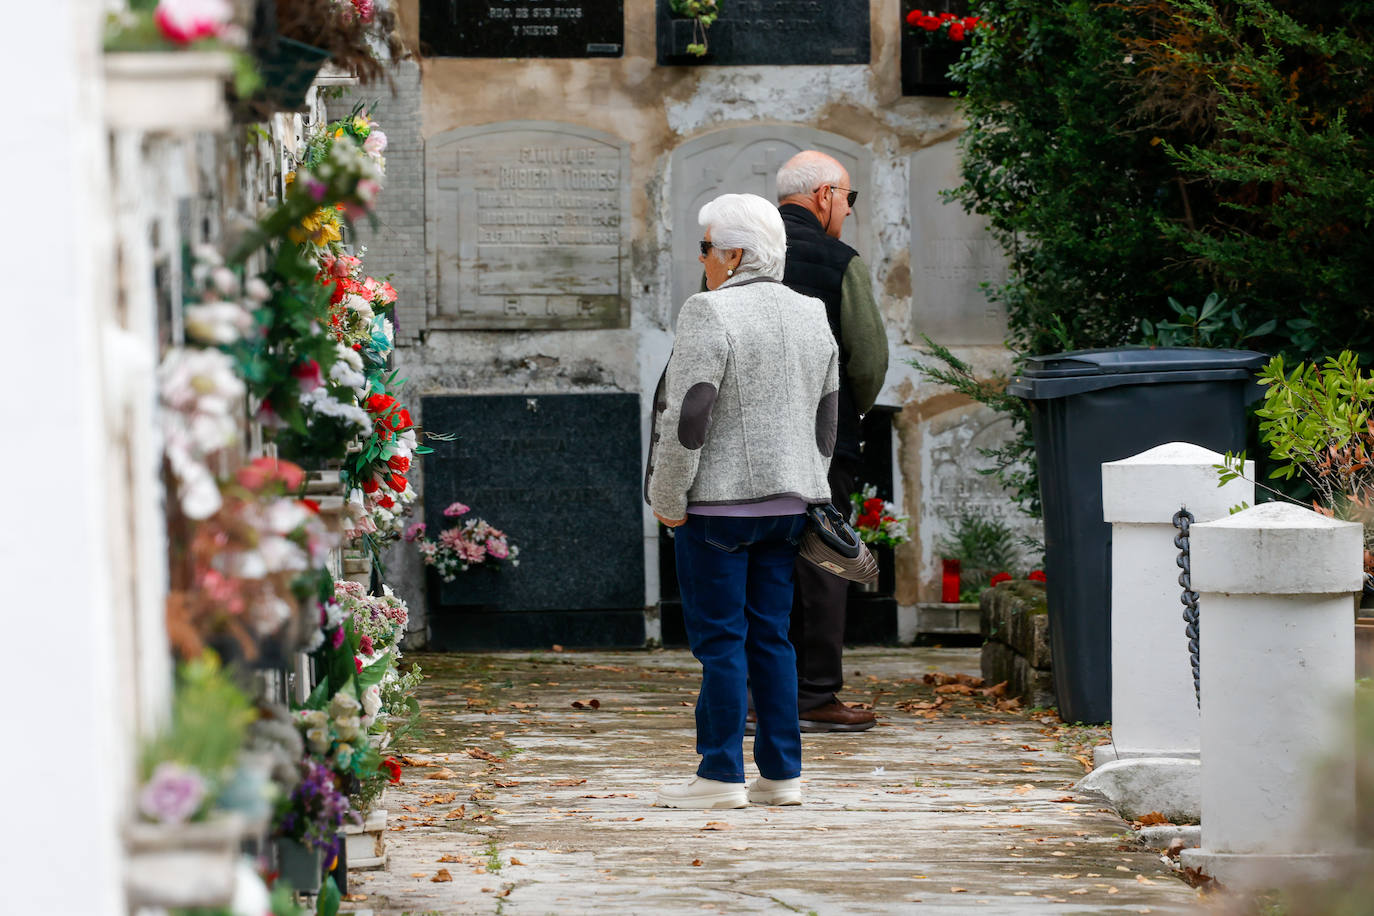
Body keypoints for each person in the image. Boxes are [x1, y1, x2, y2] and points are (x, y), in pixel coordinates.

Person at [646, 192, 839, 809]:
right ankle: (783, 776)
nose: (702, 261)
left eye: (705, 249)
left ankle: (720, 774)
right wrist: (813, 485)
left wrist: (667, 496)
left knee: (722, 643)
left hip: (719, 509)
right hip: (789, 505)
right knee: (772, 640)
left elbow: (690, 416)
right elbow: (827, 416)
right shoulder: (812, 312)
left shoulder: (709, 311)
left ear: (731, 255)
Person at [775, 150, 889, 733]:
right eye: (848, 198)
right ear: (824, 196)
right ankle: (817, 695)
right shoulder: (842, 260)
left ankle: (754, 695)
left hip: (748, 442)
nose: (847, 209)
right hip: (826, 437)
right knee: (825, 559)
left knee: (755, 557)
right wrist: (849, 411)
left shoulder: (734, 250)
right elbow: (868, 359)